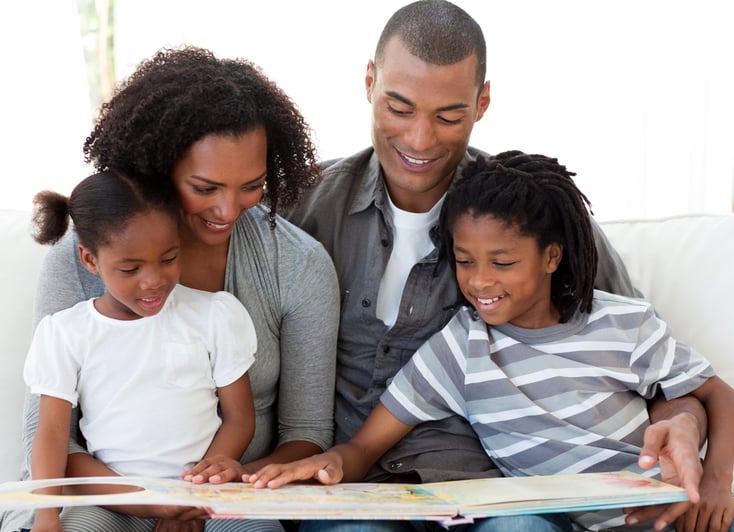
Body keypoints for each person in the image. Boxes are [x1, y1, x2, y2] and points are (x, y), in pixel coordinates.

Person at [277, 1, 724, 530]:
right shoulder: (302, 207)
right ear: (369, 82)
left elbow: (653, 373)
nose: (420, 139)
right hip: (354, 494)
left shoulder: (531, 215)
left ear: (482, 101)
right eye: (399, 108)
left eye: (449, 115)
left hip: (492, 497)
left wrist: (688, 428)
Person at [250, 150, 734, 532]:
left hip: (678, 507)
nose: (480, 282)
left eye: (502, 264)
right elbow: (364, 447)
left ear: (550, 257)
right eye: (464, 261)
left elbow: (717, 395)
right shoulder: (460, 348)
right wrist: (329, 465)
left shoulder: (621, 322)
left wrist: (715, 485)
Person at [0, 46, 339, 532]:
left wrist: (218, 484)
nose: (228, 209)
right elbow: (52, 436)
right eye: (205, 188)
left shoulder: (297, 266)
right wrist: (149, 502)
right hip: (95, 496)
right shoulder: (80, 259)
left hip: (226, 496)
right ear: (159, 166)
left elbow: (305, 434)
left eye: (252, 185)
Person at [25, 170, 262, 532]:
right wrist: (46, 515)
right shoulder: (65, 332)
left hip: (205, 497)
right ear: (90, 260)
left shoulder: (215, 314)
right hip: (113, 503)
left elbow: (240, 417)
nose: (153, 281)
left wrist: (197, 492)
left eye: (168, 259)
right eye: (130, 268)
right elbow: (53, 436)